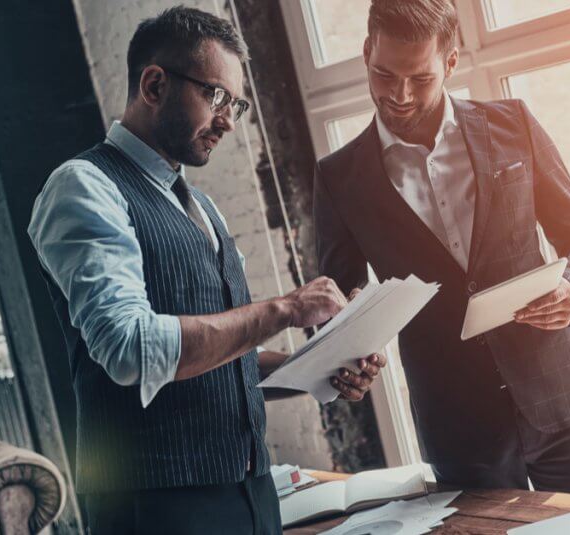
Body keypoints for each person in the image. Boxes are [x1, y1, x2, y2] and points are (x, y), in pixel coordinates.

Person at [29, 7, 385, 534]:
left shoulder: (203, 208)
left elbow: (223, 356)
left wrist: (318, 371)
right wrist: (285, 308)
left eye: (235, 105)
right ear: (154, 84)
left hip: (250, 494)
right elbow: (132, 348)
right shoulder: (84, 186)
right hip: (157, 509)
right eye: (216, 96)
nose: (227, 120)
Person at [314, 0, 570, 497]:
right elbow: (339, 306)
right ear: (367, 51)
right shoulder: (338, 179)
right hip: (459, 426)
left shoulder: (514, 124)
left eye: (420, 78)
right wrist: (346, 358)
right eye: (384, 75)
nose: (400, 96)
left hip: (560, 397)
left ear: (451, 63)